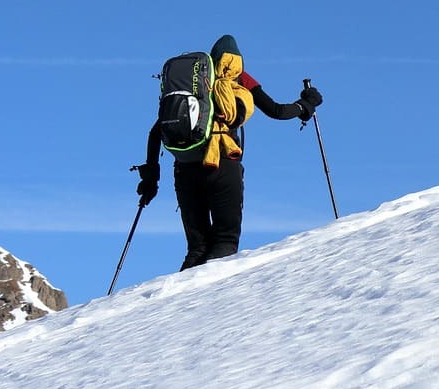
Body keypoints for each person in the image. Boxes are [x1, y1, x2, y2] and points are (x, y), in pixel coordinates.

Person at [135, 34, 323, 270]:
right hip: (223, 165)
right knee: (225, 241)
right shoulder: (240, 78)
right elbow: (276, 110)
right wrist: (306, 105)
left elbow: (156, 132)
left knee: (197, 248)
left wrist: (152, 177)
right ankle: (210, 305)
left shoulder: (197, 84)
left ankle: (177, 302)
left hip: (185, 168)